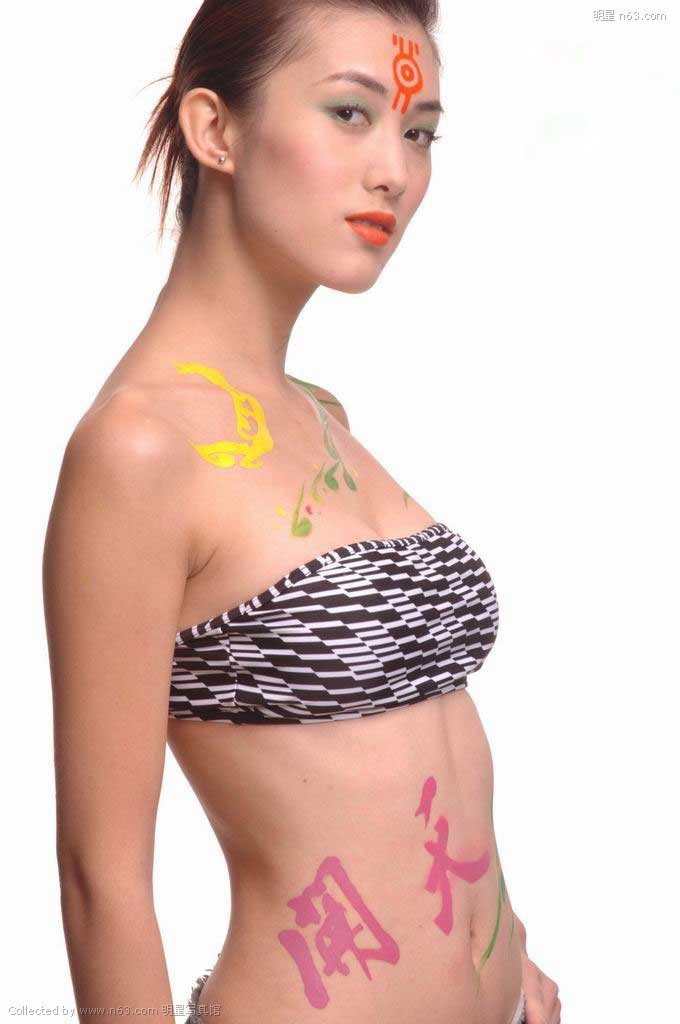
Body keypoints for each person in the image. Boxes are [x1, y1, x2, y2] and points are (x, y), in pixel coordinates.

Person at [42, 2, 561, 1022]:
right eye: (349, 114)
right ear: (215, 129)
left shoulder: (320, 416)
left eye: (419, 133)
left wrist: (512, 964)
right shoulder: (137, 452)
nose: (394, 172)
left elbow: (410, 749)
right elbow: (101, 879)